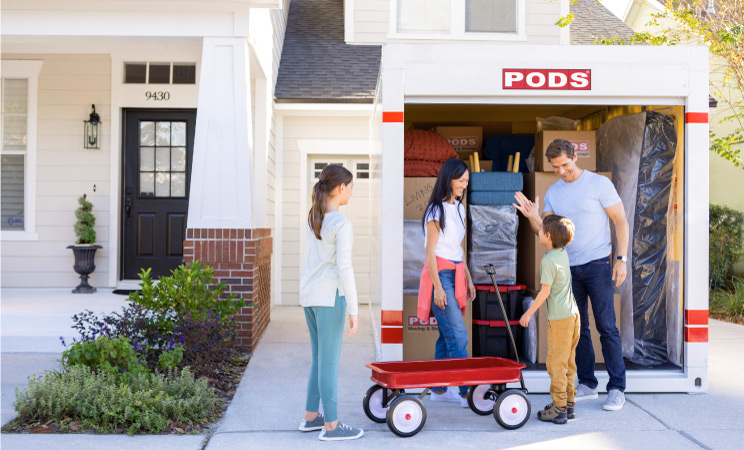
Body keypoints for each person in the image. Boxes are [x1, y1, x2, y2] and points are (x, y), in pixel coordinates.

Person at [514, 138, 630, 411]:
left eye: (565, 164)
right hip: (568, 268)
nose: (562, 171)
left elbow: (620, 221)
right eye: (556, 167)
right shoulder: (554, 192)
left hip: (598, 264)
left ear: (576, 156)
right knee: (579, 330)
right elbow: (546, 232)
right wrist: (532, 215)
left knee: (607, 326)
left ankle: (616, 388)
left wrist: (621, 259)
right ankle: (588, 383)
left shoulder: (599, 184)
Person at [298, 164, 364, 441]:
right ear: (340, 188)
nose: (352, 192)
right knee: (329, 362)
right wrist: (354, 308)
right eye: (351, 187)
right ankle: (332, 427)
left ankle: (311, 417)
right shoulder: (341, 223)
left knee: (319, 359)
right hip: (329, 298)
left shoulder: (314, 217)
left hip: (310, 297)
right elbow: (344, 267)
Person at [417, 158, 476, 408]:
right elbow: (430, 252)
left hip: (457, 273)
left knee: (445, 336)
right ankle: (466, 393)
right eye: (461, 180)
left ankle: (440, 391)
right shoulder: (435, 210)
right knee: (459, 335)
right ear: (448, 179)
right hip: (439, 276)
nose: (464, 184)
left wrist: (469, 279)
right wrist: (439, 288)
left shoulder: (460, 209)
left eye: (466, 181)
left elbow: (458, 248)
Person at [520, 215, 580, 424]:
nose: (539, 231)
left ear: (548, 236)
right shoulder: (562, 252)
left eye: (542, 229)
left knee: (555, 364)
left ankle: (559, 408)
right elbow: (551, 229)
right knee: (568, 363)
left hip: (560, 320)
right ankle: (568, 404)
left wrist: (529, 313)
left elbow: (544, 293)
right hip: (573, 315)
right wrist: (534, 213)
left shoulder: (547, 261)